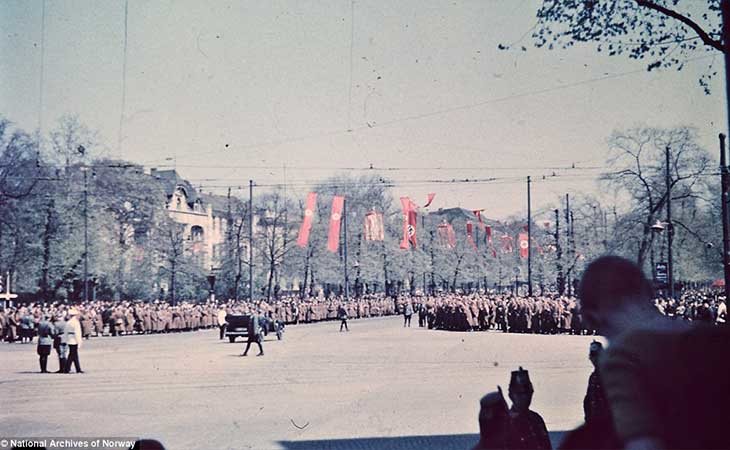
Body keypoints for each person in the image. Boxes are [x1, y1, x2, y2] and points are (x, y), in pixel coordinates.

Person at [578, 255, 730, 450]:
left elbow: (643, 443)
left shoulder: (624, 357)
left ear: (591, 318)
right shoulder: (718, 338)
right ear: (650, 293)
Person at [504, 367, 551, 450]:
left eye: (527, 393)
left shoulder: (536, 419)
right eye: (519, 394)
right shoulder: (505, 423)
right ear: (511, 395)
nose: (524, 397)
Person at [63, 308, 84, 373]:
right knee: (72, 355)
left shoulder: (68, 322)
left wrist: (65, 339)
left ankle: (78, 368)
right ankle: (67, 368)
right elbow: (77, 332)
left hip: (69, 338)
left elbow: (65, 332)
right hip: (74, 339)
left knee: (74, 355)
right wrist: (79, 341)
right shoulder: (76, 322)